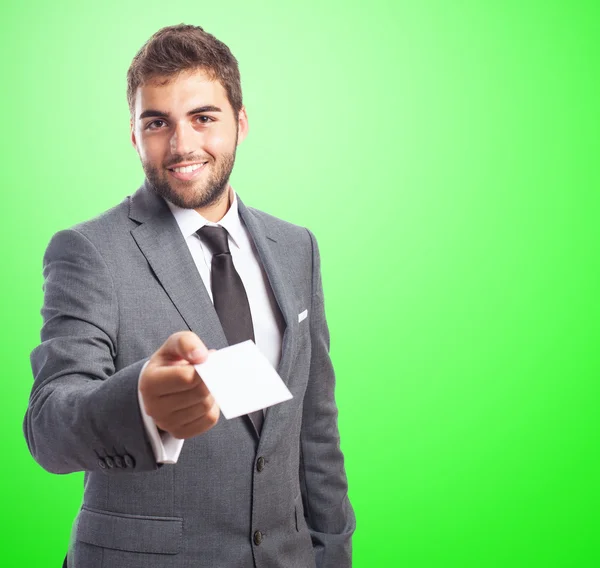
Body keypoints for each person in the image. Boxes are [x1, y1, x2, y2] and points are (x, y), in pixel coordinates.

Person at [23, 23, 355, 568]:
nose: (182, 145)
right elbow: (49, 425)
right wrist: (140, 405)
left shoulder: (297, 248)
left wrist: (331, 555)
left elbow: (314, 430)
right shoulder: (88, 251)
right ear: (134, 135)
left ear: (240, 123)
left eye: (203, 118)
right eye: (157, 123)